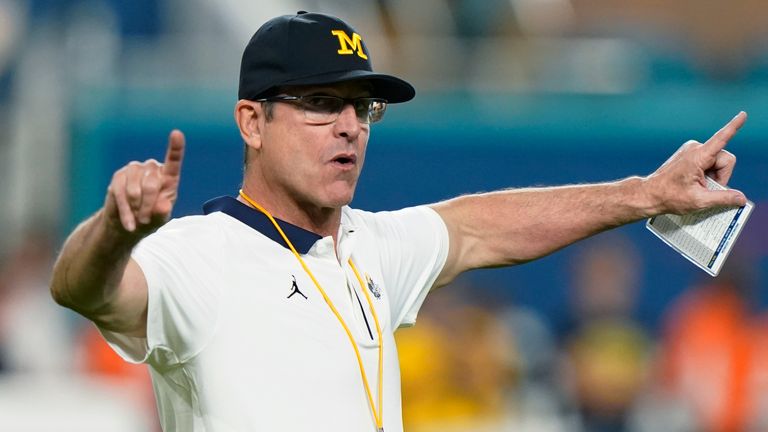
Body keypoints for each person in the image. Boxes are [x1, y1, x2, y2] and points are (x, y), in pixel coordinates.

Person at [50, 10, 749, 432]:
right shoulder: (199, 255)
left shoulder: (371, 245)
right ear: (251, 122)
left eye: (364, 109)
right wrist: (115, 230)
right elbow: (84, 289)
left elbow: (481, 226)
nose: (350, 128)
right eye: (322, 104)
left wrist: (646, 194)